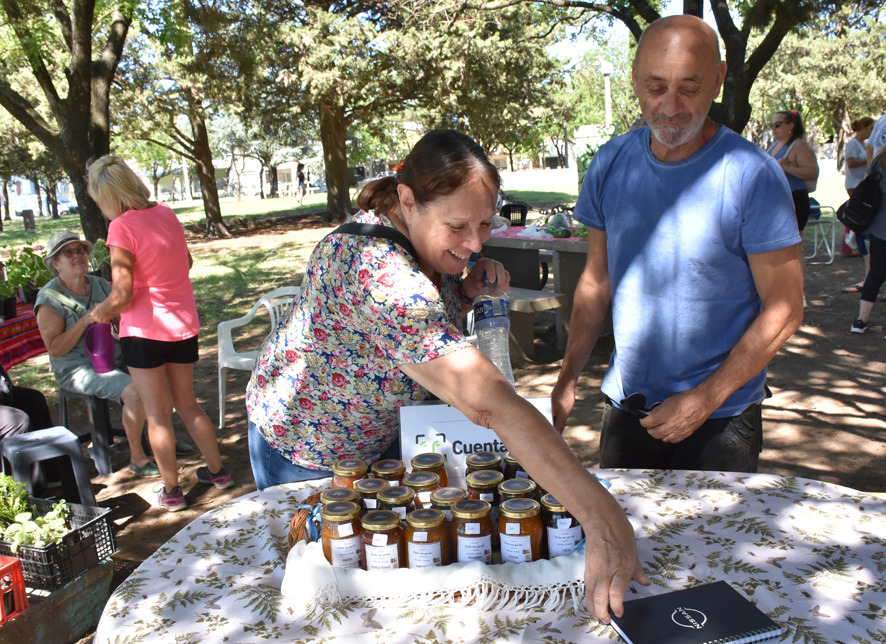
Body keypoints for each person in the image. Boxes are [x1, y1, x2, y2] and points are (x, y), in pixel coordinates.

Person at [246, 129, 647, 621]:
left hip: (376, 442)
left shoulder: (406, 236)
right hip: (307, 451)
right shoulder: (375, 270)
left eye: (485, 223)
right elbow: (488, 401)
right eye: (459, 226)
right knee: (330, 608)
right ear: (408, 200)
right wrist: (603, 518)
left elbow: (404, 329)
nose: (476, 242)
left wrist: (461, 291)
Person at [551, 16, 804, 473]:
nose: (671, 106)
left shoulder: (753, 175)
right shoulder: (610, 163)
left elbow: (785, 307)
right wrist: (567, 379)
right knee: (619, 539)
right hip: (628, 408)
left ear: (719, 79)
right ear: (633, 79)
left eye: (690, 87)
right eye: (655, 86)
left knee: (718, 545)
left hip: (722, 416)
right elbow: (595, 281)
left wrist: (705, 397)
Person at [87, 157, 233, 512]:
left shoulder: (122, 227)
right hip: (182, 324)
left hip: (144, 331)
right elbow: (186, 263)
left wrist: (101, 312)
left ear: (109, 195)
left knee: (157, 414)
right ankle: (218, 471)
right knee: (187, 403)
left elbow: (121, 294)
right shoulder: (166, 213)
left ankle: (171, 491)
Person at [35, 230, 166, 478]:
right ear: (55, 263)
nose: (77, 255)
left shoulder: (98, 284)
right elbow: (55, 349)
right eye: (68, 252)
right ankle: (138, 457)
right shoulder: (49, 299)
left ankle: (162, 438)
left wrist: (118, 320)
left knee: (157, 373)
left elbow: (120, 320)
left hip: (110, 358)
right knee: (134, 391)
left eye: (80, 250)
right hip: (75, 368)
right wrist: (86, 320)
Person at [849, 114, 886, 336]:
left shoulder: (878, 160)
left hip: (879, 225)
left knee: (875, 273)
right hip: (880, 224)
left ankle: (860, 321)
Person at [842, 116, 876, 291]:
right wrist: (870, 160)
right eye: (870, 128)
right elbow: (850, 162)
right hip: (856, 186)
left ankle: (855, 247)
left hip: (863, 186)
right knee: (858, 221)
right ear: (863, 127)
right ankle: (852, 246)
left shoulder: (864, 144)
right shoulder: (853, 144)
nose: (872, 132)